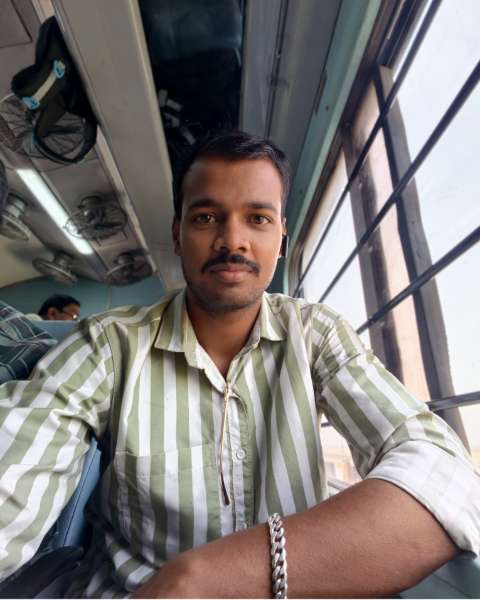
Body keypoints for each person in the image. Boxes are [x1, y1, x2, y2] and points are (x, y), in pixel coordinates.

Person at [0, 131, 478, 598]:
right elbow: (14, 478)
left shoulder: (316, 335)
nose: (233, 240)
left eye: (258, 219)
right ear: (178, 234)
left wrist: (202, 578)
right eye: (207, 217)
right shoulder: (108, 346)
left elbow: (446, 474)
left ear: (282, 236)